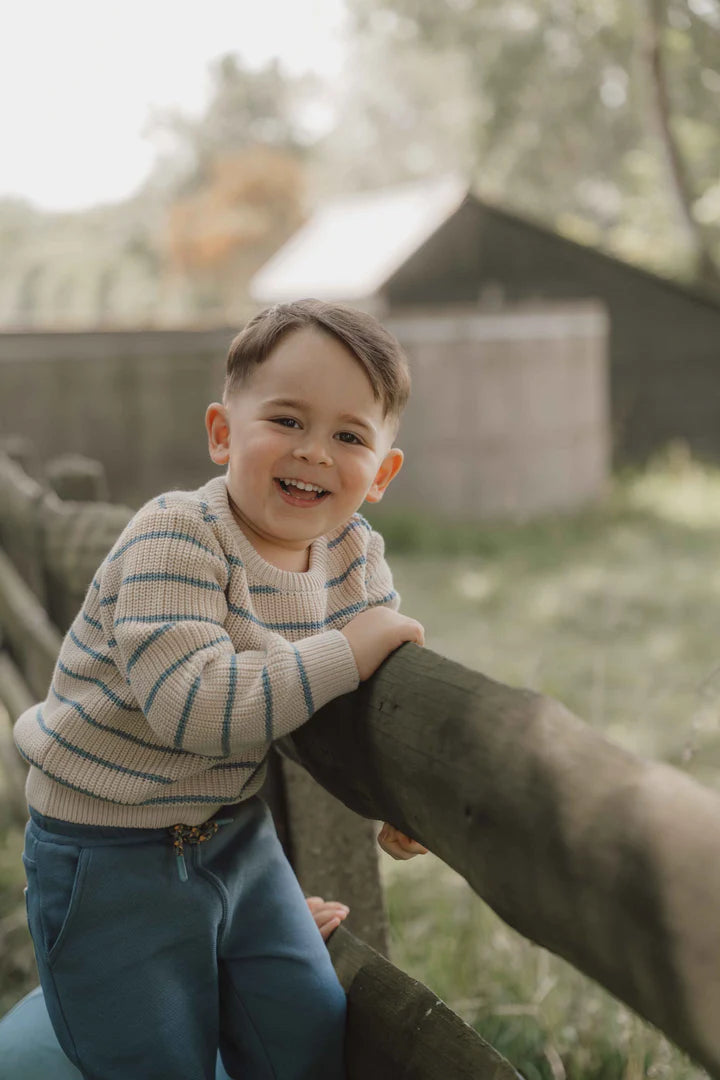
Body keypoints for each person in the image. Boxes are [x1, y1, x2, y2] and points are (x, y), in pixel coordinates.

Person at [8, 298, 426, 1080]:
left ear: (382, 473)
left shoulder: (354, 554)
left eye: (348, 435)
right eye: (287, 420)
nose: (313, 452)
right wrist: (349, 647)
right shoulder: (176, 535)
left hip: (232, 832)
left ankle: (226, 933)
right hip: (107, 855)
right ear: (222, 432)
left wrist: (397, 799)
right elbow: (194, 707)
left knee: (307, 1023)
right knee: (148, 1054)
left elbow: (366, 695)